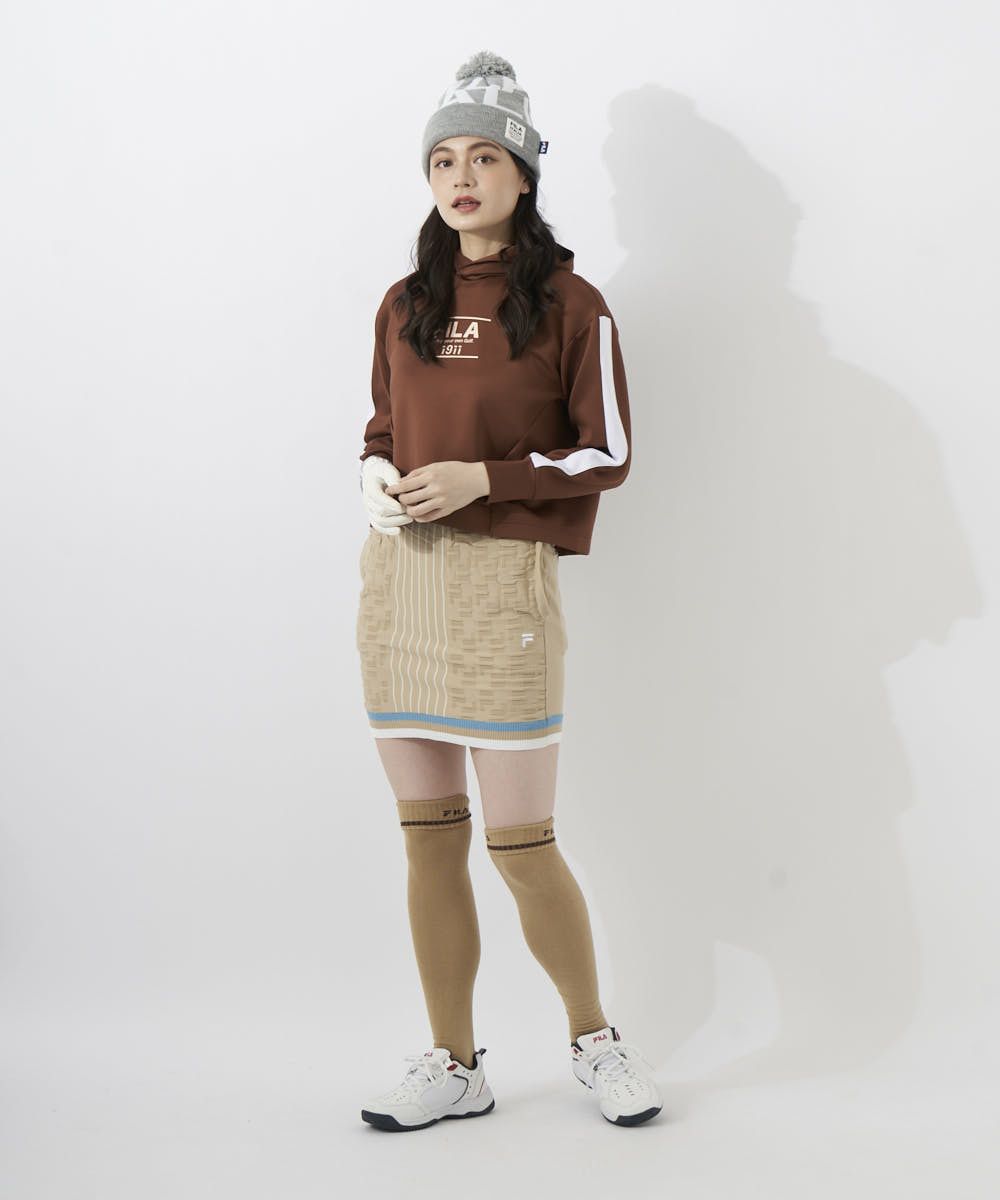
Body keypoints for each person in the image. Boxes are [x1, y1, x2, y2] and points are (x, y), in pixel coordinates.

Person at [355, 50, 661, 1130]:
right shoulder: (404, 302)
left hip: (503, 585)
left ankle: (595, 1041)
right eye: (443, 159)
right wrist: (375, 475)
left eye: (483, 157)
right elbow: (383, 425)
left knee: (520, 844)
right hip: (400, 583)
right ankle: (455, 1065)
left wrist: (484, 478)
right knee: (428, 838)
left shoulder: (573, 304)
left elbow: (607, 452)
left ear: (523, 173)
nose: (461, 177)